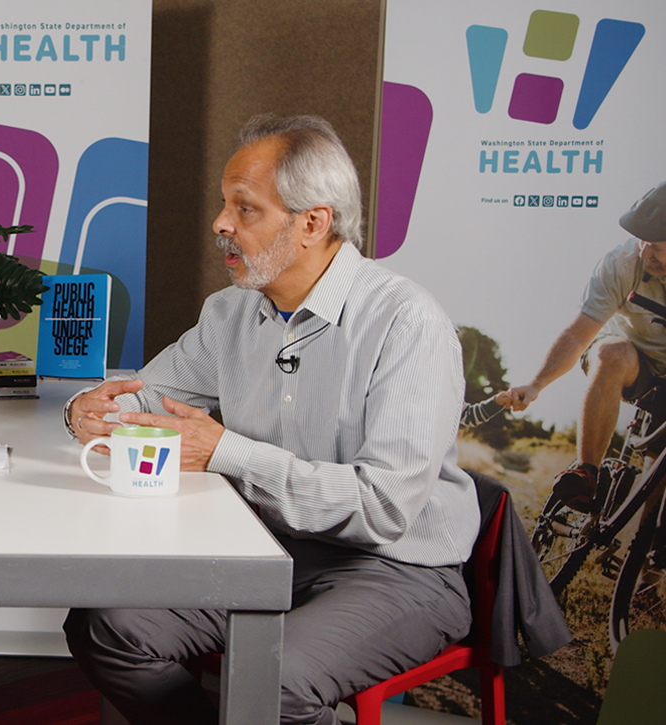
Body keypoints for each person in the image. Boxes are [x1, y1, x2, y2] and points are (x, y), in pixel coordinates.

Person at [62, 115, 480, 725]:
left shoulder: (407, 322)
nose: (220, 224)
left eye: (245, 208)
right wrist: (89, 410)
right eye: (224, 205)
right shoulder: (230, 313)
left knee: (271, 682)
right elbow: (143, 396)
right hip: (264, 550)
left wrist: (224, 450)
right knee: (105, 626)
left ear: (312, 223)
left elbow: (385, 507)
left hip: (396, 568)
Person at [499, 181, 666, 511]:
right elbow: (579, 335)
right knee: (612, 353)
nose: (645, 252)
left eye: (657, 247)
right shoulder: (622, 263)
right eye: (643, 240)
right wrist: (536, 385)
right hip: (633, 363)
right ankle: (586, 473)